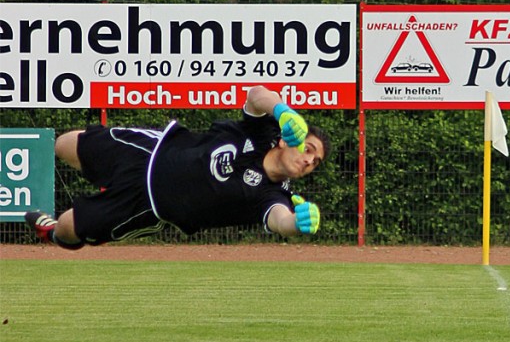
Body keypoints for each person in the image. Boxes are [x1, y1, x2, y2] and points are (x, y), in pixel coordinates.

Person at [25, 85, 328, 249]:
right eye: (309, 150)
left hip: (146, 207)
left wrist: (297, 225)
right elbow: (256, 95)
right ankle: (104, 183)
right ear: (288, 139)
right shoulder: (260, 134)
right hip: (148, 152)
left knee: (68, 229)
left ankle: (49, 232)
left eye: (315, 163)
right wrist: (283, 110)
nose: (308, 161)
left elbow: (279, 221)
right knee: (64, 144)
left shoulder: (273, 195)